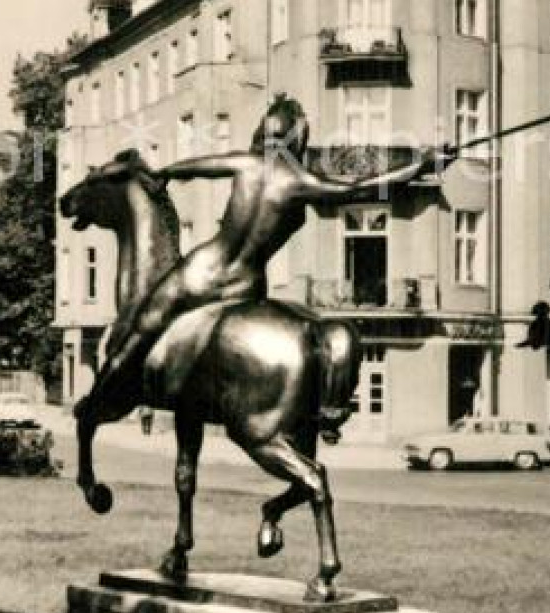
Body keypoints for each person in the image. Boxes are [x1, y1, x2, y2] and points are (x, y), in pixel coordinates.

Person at [86, 94, 457, 403]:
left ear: (263, 131)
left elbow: (197, 166)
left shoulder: (245, 163)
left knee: (143, 326)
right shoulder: (301, 181)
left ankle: (107, 391)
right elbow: (358, 188)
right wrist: (419, 164)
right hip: (247, 285)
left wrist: (164, 173)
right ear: (299, 138)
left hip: (203, 272)